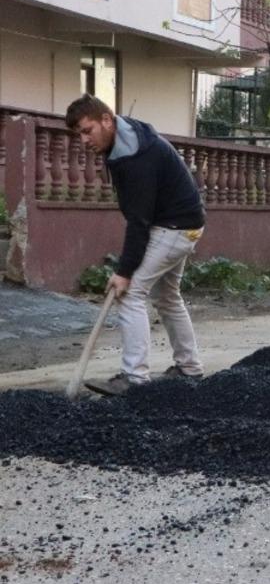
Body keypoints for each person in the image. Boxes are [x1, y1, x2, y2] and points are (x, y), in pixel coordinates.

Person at [65, 94, 207, 395]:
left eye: (87, 130)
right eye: (79, 134)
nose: (84, 140)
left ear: (106, 119)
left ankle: (135, 379)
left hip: (173, 227)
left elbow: (138, 222)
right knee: (167, 297)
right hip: (181, 223)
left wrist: (124, 271)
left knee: (130, 293)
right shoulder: (125, 139)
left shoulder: (135, 157)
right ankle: (189, 368)